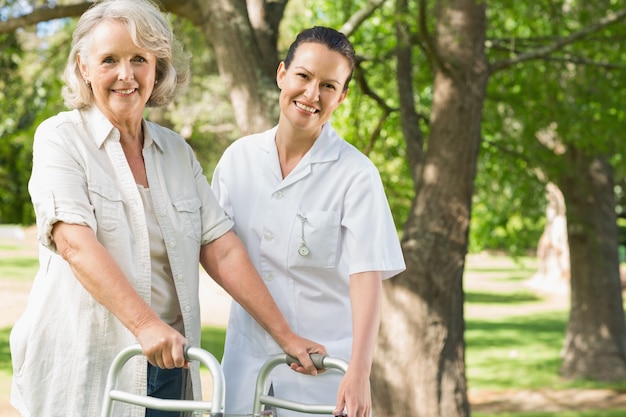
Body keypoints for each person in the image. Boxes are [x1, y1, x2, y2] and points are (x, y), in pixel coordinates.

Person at [9, 1, 324, 416]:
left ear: (158, 68)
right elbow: (74, 244)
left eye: (140, 58)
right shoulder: (61, 138)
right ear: (85, 67)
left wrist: (286, 337)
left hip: (171, 367)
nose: (126, 74)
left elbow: (222, 248)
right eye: (109, 60)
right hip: (90, 366)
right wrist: (144, 326)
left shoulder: (176, 152)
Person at [211, 26, 406, 417]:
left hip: (322, 373)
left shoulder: (356, 174)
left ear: (343, 96)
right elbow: (214, 248)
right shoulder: (239, 159)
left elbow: (366, 277)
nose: (312, 94)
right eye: (303, 76)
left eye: (329, 85)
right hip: (245, 363)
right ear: (282, 73)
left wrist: (359, 371)